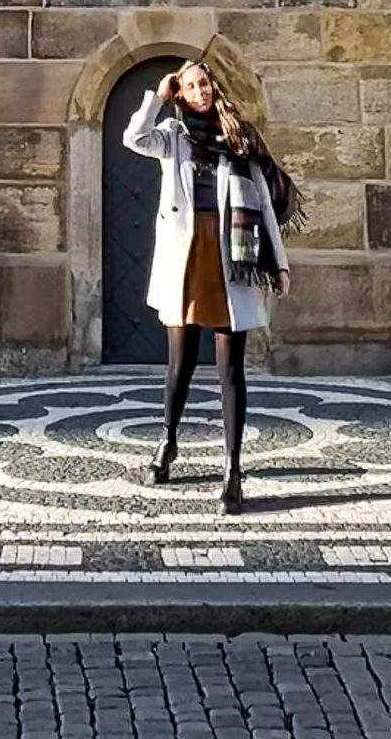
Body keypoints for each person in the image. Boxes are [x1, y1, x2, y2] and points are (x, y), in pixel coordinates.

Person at [122, 59, 293, 512]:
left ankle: (232, 469)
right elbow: (133, 138)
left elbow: (262, 200)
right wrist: (157, 97)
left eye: (204, 84)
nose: (200, 91)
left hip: (231, 255)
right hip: (186, 256)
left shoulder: (240, 136)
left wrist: (278, 261)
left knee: (230, 367)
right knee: (179, 364)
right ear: (181, 93)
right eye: (190, 86)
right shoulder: (173, 137)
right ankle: (168, 441)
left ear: (213, 87)